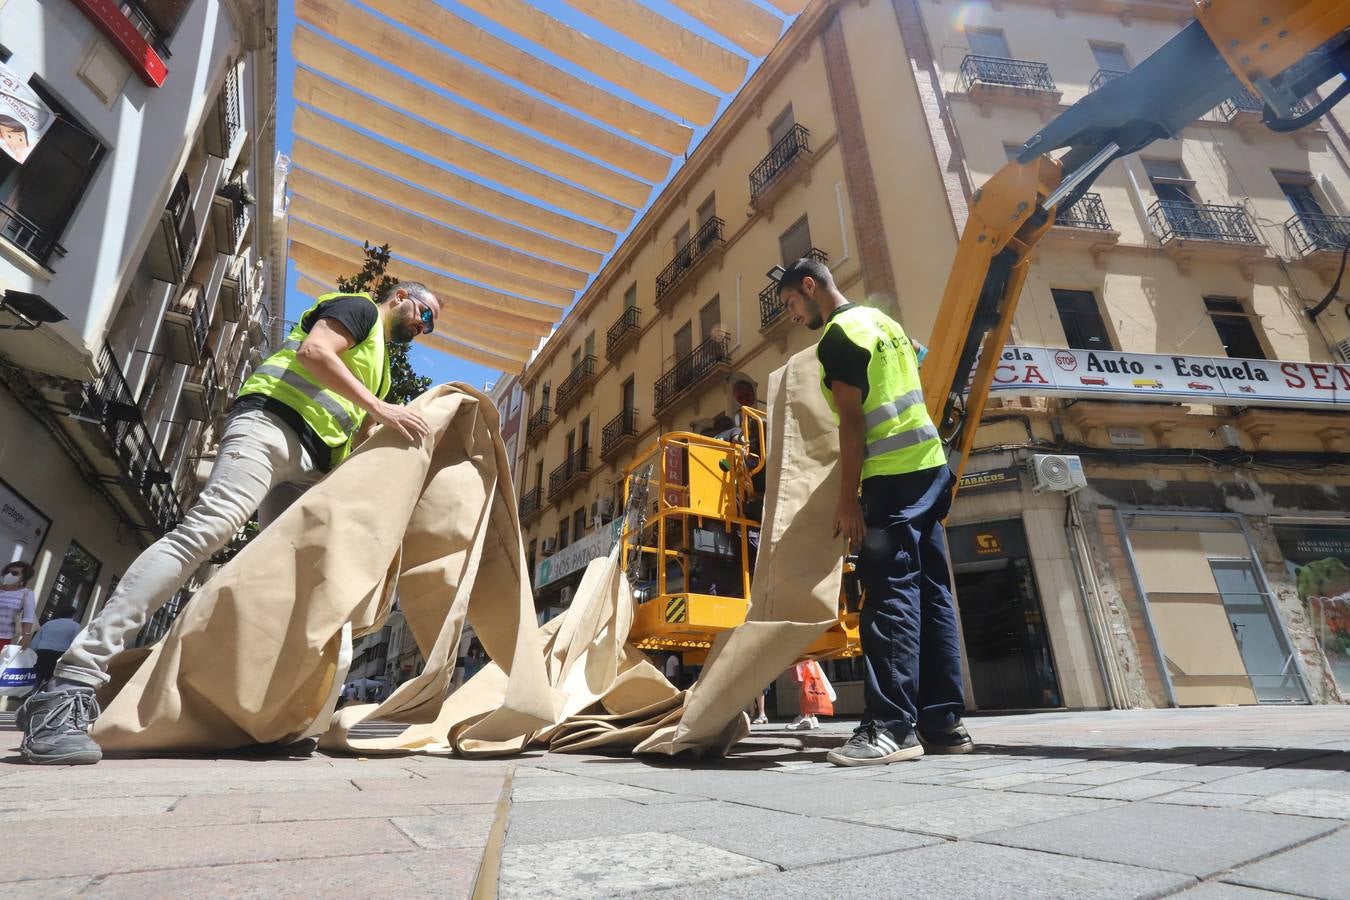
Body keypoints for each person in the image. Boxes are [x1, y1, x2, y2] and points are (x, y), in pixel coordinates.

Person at [19, 282, 442, 765]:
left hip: (310, 468)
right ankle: (71, 683)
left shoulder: (383, 368)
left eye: (429, 327)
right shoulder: (360, 308)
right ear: (402, 296)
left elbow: (359, 421)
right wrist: (378, 407)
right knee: (205, 533)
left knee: (303, 584)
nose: (422, 329)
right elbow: (314, 352)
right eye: (424, 316)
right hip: (269, 429)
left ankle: (261, 713)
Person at [777, 256, 973, 767]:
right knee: (932, 592)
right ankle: (942, 723)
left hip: (892, 477)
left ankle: (889, 728)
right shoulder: (882, 323)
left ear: (808, 285)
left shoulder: (839, 336)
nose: (792, 315)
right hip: (930, 467)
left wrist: (847, 500)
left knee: (889, 596)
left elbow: (852, 422)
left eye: (792, 304)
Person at [28, 610, 81, 686]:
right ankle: (43, 696)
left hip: (42, 652)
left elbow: (36, 639)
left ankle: (29, 694)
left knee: (37, 675)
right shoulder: (75, 626)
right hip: (59, 654)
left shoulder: (49, 623)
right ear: (73, 615)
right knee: (51, 679)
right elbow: (75, 642)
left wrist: (32, 652)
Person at [0, 562, 37, 652]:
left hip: (3, 636)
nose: (9, 575)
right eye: (8, 572)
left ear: (23, 577)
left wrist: (25, 638)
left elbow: (28, 617)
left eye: (14, 573)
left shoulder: (26, 593)